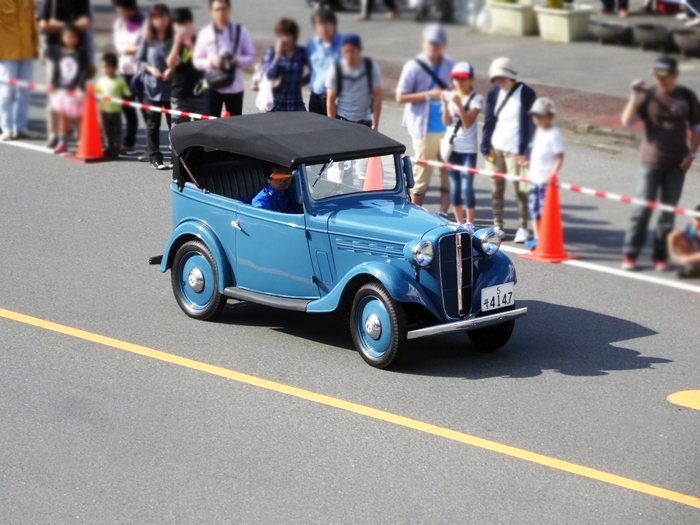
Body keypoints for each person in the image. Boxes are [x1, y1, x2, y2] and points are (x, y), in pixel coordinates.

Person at [621, 56, 700, 271]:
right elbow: (627, 120)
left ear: (674, 75)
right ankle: (630, 253)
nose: (660, 80)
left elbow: (696, 128)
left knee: (668, 211)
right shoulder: (648, 96)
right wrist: (635, 96)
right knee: (642, 209)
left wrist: (691, 155)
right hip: (651, 160)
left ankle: (659, 254)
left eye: (664, 76)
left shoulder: (686, 96)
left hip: (677, 162)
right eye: (656, 76)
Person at [395, 24, 453, 216]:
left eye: (437, 44)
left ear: (443, 44)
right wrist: (429, 95)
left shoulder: (448, 65)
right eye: (430, 43)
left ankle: (444, 213)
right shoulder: (414, 67)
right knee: (422, 173)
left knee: (448, 172)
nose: (434, 47)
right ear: (423, 43)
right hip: (423, 127)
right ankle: (416, 212)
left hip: (447, 127)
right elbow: (401, 97)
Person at [480, 57, 536, 243]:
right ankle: (498, 225)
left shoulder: (526, 92)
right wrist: (485, 145)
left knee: (520, 190)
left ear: (510, 75)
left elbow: (532, 124)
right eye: (495, 78)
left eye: (501, 77)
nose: (498, 82)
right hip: (497, 147)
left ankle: (523, 227)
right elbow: (489, 120)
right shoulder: (495, 91)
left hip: (516, 150)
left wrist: (527, 152)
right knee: (496, 189)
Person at [38, 0, 91, 149]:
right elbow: (43, 25)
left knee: (76, 97)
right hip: (54, 53)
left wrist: (58, 25)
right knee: (54, 98)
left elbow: (85, 24)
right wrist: (72, 27)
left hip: (76, 55)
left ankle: (76, 134)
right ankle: (54, 134)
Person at [193, 0, 256, 118]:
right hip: (212, 86)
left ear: (229, 10)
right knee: (211, 126)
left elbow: (251, 57)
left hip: (234, 86)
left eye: (223, 8)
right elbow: (197, 61)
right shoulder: (205, 33)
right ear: (211, 12)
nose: (221, 12)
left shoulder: (240, 31)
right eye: (217, 9)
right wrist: (212, 62)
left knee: (235, 126)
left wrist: (237, 60)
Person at [440, 62, 482, 230]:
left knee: (466, 186)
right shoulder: (451, 96)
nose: (459, 82)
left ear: (471, 79)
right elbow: (447, 122)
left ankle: (470, 222)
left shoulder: (476, 99)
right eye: (456, 79)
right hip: (452, 147)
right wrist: (445, 104)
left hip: (468, 150)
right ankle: (459, 222)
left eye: (463, 79)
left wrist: (458, 105)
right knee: (455, 186)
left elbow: (467, 122)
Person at [136, 3, 173, 170]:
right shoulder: (148, 38)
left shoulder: (174, 38)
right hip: (151, 87)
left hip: (171, 87)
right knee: (153, 124)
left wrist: (172, 69)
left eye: (163, 17)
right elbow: (139, 60)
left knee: (175, 124)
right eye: (156, 18)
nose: (160, 21)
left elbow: (182, 58)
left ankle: (176, 157)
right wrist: (150, 68)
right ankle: (154, 156)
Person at [524, 97, 564, 248]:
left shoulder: (553, 134)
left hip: (545, 181)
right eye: (535, 116)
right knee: (534, 210)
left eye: (541, 116)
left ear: (551, 117)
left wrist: (552, 174)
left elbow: (559, 156)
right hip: (534, 178)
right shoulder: (539, 132)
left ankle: (547, 238)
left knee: (545, 212)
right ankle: (537, 237)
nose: (537, 119)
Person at [46, 24, 88, 155]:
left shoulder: (80, 53)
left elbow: (83, 71)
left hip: (76, 91)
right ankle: (62, 142)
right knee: (63, 117)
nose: (71, 39)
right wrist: (53, 83)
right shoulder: (59, 52)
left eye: (74, 37)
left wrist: (80, 86)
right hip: (63, 90)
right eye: (68, 36)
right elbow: (57, 70)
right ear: (62, 38)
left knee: (79, 118)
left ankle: (82, 142)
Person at [0, 0, 39, 142]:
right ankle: (6, 129)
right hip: (6, 53)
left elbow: (32, 24)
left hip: (26, 51)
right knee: (6, 93)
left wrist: (35, 46)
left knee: (25, 92)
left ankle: (21, 128)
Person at [326, 34, 382, 129]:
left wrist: (376, 123)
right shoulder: (336, 69)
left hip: (365, 122)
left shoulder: (370, 67)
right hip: (343, 120)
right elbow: (330, 99)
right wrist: (333, 125)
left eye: (352, 51)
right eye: (346, 51)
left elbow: (377, 96)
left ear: (359, 50)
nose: (349, 55)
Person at [112, 0, 144, 154]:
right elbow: (119, 47)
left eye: (120, 7)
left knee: (148, 110)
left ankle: (152, 146)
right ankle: (128, 142)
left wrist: (131, 49)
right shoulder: (119, 24)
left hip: (141, 73)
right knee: (127, 108)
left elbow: (146, 47)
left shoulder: (144, 23)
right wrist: (133, 49)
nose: (118, 11)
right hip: (124, 71)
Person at [166, 8, 205, 127]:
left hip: (200, 95)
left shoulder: (199, 40)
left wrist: (189, 43)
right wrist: (177, 43)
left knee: (202, 133)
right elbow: (170, 64)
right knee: (179, 133)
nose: (181, 27)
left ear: (190, 24)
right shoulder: (171, 43)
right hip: (179, 96)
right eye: (177, 24)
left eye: (184, 24)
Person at [261, 18, 309, 112]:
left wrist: (301, 82)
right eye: (282, 35)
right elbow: (268, 75)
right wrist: (277, 57)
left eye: (288, 35)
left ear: (294, 36)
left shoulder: (300, 52)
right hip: (276, 107)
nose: (285, 39)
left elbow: (314, 70)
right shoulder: (271, 52)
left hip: (296, 106)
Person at [306, 7, 342, 116]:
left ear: (334, 25)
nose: (323, 28)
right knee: (315, 131)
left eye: (326, 24)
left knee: (336, 131)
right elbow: (310, 67)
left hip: (336, 99)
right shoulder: (312, 44)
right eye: (319, 25)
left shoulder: (344, 45)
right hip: (315, 97)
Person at [95, 52, 132, 158]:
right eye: (103, 68)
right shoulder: (101, 80)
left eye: (107, 67)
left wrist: (129, 94)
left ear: (115, 67)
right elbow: (98, 92)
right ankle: (109, 147)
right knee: (107, 131)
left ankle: (115, 150)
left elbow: (127, 92)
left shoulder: (120, 81)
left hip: (115, 111)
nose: (105, 70)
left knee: (116, 132)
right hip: (104, 111)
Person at [668, 205, 700, 278]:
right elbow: (672, 236)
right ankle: (694, 267)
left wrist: (686, 259)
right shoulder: (690, 226)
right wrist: (673, 255)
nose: (695, 225)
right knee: (679, 238)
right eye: (694, 220)